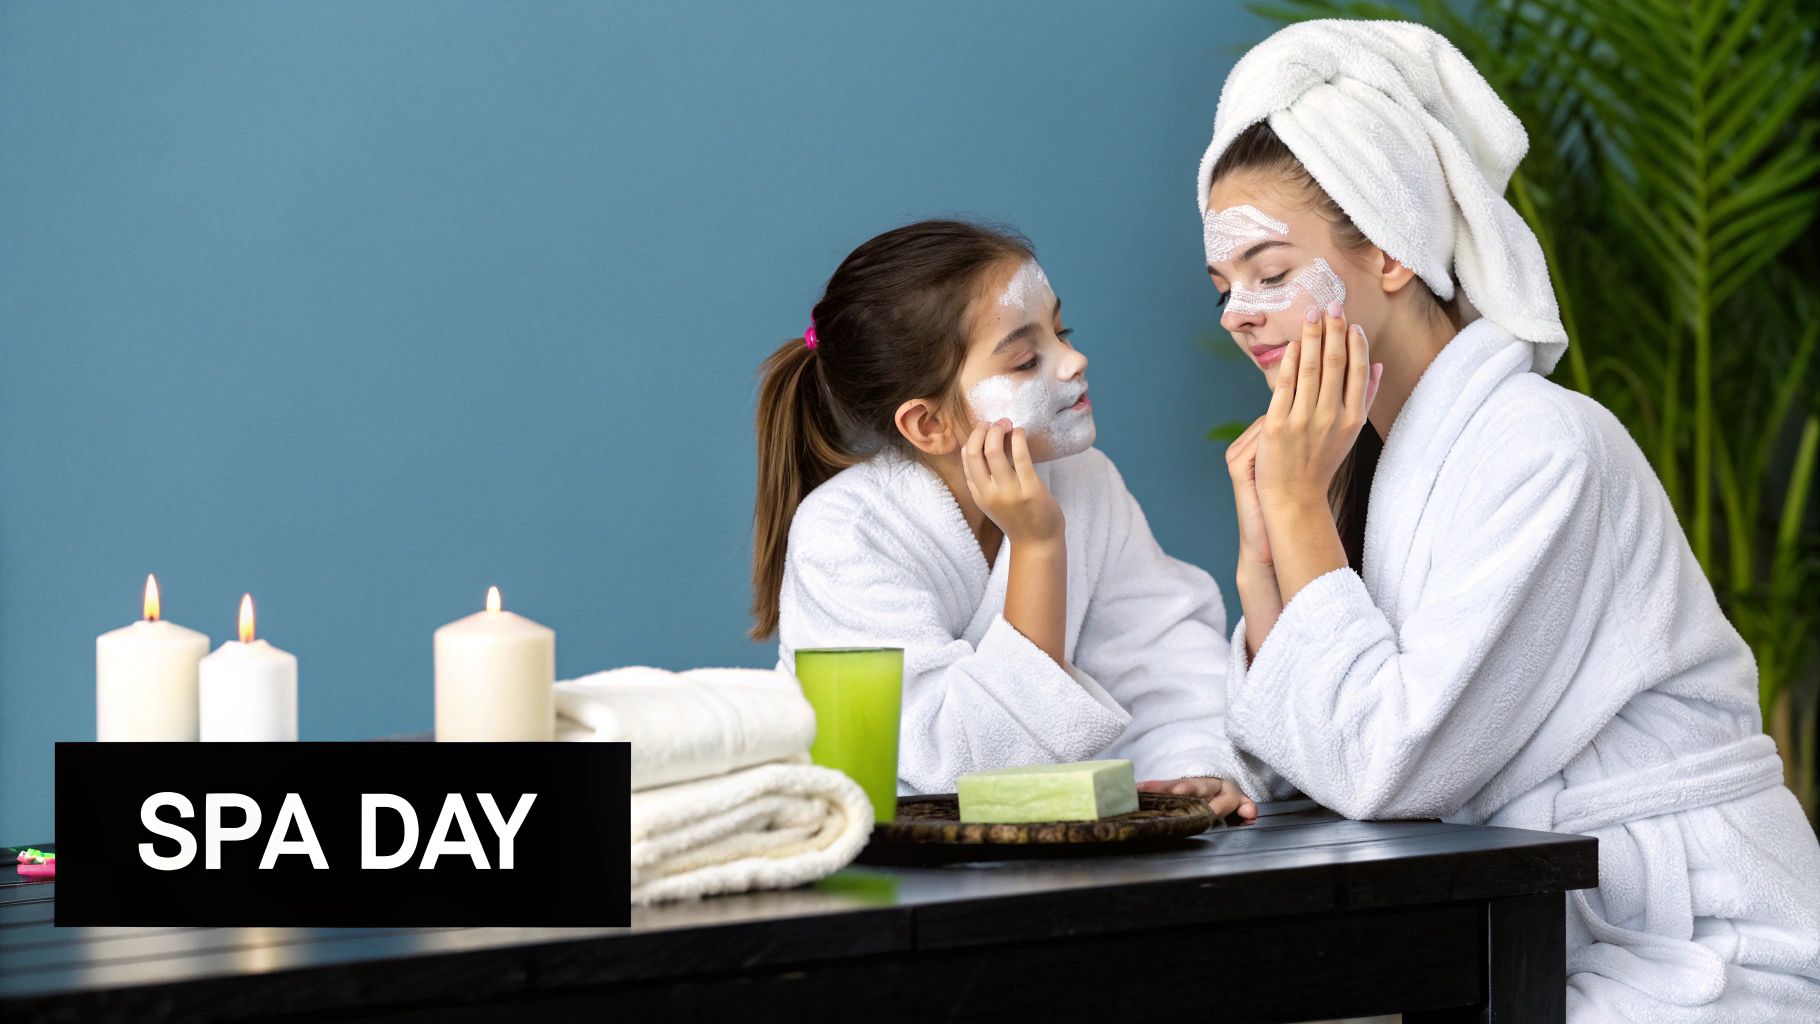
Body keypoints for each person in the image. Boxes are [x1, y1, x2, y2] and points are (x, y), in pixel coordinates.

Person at [1200, 20, 1820, 1018]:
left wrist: (1291, 508)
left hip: (1698, 939)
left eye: (1270, 273)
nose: (1237, 311)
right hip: (1523, 929)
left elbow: (1383, 763)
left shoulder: (1541, 445)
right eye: (1223, 286)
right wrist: (1261, 553)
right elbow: (1300, 763)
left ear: (1393, 250)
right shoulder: (1370, 468)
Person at [751, 219, 1271, 817]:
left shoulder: (1085, 482)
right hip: (887, 862)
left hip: (1059, 859)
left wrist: (1192, 766)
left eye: (1061, 329)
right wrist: (1038, 547)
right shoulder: (846, 533)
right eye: (1025, 360)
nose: (1073, 360)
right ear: (928, 425)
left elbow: (1161, 660)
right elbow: (958, 766)